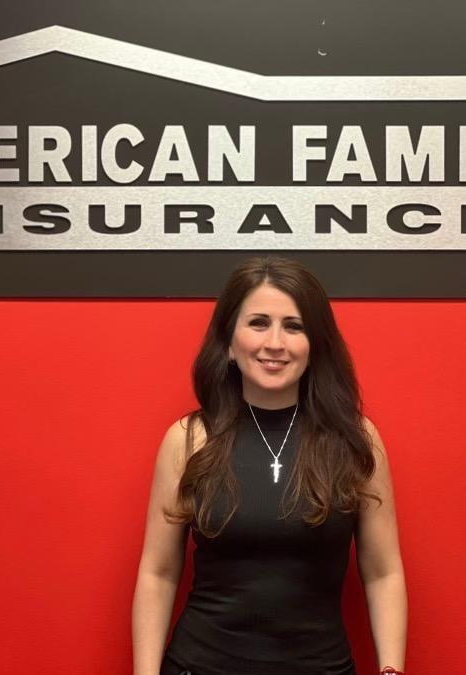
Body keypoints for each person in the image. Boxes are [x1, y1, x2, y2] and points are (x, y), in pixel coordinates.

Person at [132, 255, 407, 675]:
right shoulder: (188, 440)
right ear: (228, 341)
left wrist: (392, 672)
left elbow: (383, 571)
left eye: (293, 326)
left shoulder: (355, 439)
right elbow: (159, 572)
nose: (274, 342)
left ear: (315, 344)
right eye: (258, 323)